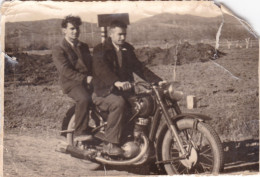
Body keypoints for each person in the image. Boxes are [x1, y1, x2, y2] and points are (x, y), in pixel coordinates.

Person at [92, 20, 163, 156]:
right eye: (119, 34)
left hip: (124, 91)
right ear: (111, 34)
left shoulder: (127, 49)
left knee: (144, 106)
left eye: (124, 34)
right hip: (104, 91)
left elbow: (139, 68)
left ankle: (142, 141)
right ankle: (111, 144)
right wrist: (116, 82)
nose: (123, 37)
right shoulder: (100, 49)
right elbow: (102, 70)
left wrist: (158, 81)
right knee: (118, 103)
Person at [52, 15, 93, 141]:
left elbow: (91, 64)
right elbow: (65, 70)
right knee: (84, 99)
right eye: (72, 29)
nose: (76, 31)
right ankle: (80, 132)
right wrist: (85, 78)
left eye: (77, 29)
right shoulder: (59, 48)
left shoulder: (83, 46)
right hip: (71, 82)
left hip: (87, 80)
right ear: (64, 30)